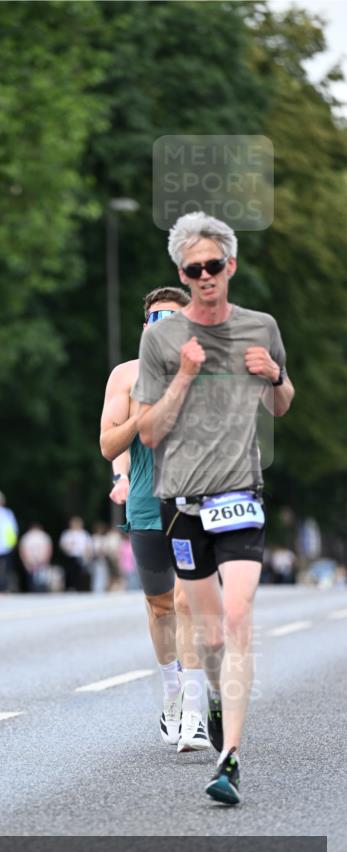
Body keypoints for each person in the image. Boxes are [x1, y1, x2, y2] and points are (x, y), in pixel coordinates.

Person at [132, 211, 295, 805]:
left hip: (240, 497)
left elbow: (281, 405)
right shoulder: (161, 341)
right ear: (182, 271)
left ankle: (229, 760)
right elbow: (147, 432)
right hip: (181, 505)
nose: (204, 276)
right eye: (193, 269)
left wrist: (274, 375)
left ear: (231, 265)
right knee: (206, 632)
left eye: (213, 266)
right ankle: (218, 696)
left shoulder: (261, 326)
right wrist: (184, 378)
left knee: (236, 617)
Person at [100, 287, 205, 751]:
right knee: (161, 606)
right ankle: (172, 694)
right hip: (146, 501)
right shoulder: (125, 376)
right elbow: (108, 445)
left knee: (188, 602)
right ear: (145, 327)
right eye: (157, 318)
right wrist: (139, 417)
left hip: (196, 501)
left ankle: (197, 715)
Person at [59, 517, 92, 592]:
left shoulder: (84, 534)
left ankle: (78, 588)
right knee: (69, 573)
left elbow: (88, 546)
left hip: (80, 556)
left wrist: (88, 556)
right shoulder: (67, 533)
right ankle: (69, 587)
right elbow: (62, 544)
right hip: (69, 556)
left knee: (79, 573)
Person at [19, 523, 53, 592]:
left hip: (40, 559)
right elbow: (23, 549)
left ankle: (42, 590)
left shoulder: (43, 536)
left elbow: (48, 548)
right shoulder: (27, 536)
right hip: (31, 559)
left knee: (42, 577)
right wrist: (26, 560)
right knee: (31, 577)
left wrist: (46, 559)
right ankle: (33, 590)